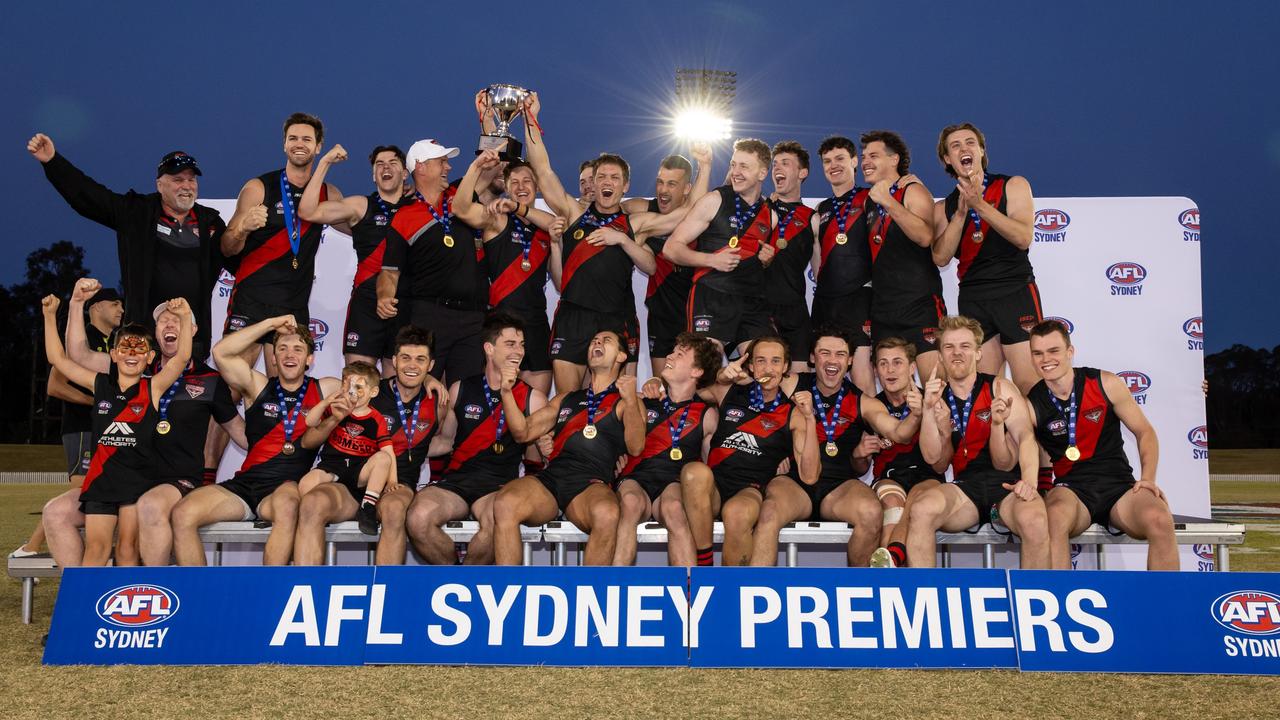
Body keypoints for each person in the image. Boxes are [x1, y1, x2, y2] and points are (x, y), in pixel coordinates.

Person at [59, 279, 245, 566]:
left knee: (149, 506)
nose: (169, 325)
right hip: (127, 480)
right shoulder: (134, 365)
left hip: (175, 480)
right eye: (162, 322)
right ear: (156, 333)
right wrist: (76, 304)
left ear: (192, 330)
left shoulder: (210, 381)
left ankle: (151, 596)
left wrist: (277, 462)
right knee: (56, 512)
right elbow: (78, 356)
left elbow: (239, 433)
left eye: (177, 320)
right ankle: (81, 601)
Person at [522, 93, 683, 392]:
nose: (607, 182)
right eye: (602, 177)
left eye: (614, 177)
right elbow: (542, 169)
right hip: (573, 317)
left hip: (615, 320)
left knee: (616, 406)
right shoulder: (573, 213)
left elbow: (687, 213)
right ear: (592, 183)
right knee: (569, 403)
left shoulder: (635, 224)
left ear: (626, 186)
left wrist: (705, 164)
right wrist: (530, 118)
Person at [28, 134, 227, 357]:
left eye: (191, 180)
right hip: (142, 338)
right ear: (160, 185)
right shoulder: (136, 212)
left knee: (190, 391)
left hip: (193, 339)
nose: (186, 186)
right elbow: (89, 197)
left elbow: (241, 258)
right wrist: (53, 161)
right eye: (178, 180)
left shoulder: (211, 222)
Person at [171, 317, 340, 566]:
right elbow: (221, 352)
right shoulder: (258, 386)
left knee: (288, 506)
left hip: (284, 487)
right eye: (282, 348)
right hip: (245, 485)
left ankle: (270, 592)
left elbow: (363, 394)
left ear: (309, 359)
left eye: (298, 349)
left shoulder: (326, 388)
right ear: (273, 358)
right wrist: (271, 325)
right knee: (182, 514)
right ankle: (203, 595)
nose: (289, 355)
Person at [41, 294, 193, 566]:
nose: (131, 354)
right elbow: (57, 359)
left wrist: (184, 316)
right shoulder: (99, 384)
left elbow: (182, 358)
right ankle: (85, 603)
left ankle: (125, 606)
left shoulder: (153, 388)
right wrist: (50, 316)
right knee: (96, 550)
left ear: (150, 357)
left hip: (137, 483)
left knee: (126, 549)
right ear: (113, 354)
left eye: (139, 350)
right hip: (101, 482)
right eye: (125, 348)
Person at [761, 327, 921, 567]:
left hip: (838, 488)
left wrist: (916, 415)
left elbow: (900, 433)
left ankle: (862, 592)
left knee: (870, 512)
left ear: (849, 361)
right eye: (825, 353)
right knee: (770, 512)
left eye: (840, 354)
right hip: (795, 483)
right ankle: (752, 589)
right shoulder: (791, 384)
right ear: (813, 358)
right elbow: (753, 380)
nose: (832, 360)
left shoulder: (862, 401)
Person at [1026, 320, 1178, 570]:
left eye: (1053, 351)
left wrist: (1148, 478)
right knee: (1053, 519)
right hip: (1072, 490)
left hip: (1119, 486)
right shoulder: (1031, 403)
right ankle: (1059, 602)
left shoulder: (1104, 383)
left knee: (1160, 518)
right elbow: (1019, 447)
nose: (1046, 359)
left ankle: (1163, 606)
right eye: (1038, 353)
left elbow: (1145, 431)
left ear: (1070, 352)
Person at [491, 329, 644, 565]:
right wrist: (506, 392)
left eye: (606, 340)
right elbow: (523, 432)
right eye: (594, 339)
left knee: (608, 513)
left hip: (590, 484)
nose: (597, 342)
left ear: (622, 356)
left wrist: (632, 400)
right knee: (504, 503)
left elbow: (635, 446)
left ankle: (591, 595)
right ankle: (510, 593)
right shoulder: (565, 398)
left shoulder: (628, 402)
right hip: (552, 479)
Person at [405, 313, 549, 565]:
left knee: (498, 520)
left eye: (522, 344)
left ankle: (468, 583)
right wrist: (402, 449)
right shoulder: (460, 388)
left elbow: (540, 455)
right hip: (457, 482)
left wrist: (548, 448)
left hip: (499, 486)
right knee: (418, 517)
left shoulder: (533, 398)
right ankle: (454, 575)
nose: (519, 351)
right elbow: (446, 441)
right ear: (489, 349)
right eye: (511, 344)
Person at [907, 316, 1049, 569]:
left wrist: (1029, 482)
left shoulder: (1000, 387)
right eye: (949, 347)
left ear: (978, 353)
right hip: (964, 489)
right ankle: (925, 599)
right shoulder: (936, 396)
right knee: (921, 510)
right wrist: (928, 411)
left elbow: (1026, 437)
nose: (957, 353)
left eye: (965, 346)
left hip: (1008, 486)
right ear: (939, 356)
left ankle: (1035, 602)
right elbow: (933, 460)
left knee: (1036, 518)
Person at [680, 337, 818, 566]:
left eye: (775, 361)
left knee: (738, 512)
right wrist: (721, 375)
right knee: (693, 472)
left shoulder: (792, 412)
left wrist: (810, 418)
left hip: (750, 489)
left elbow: (810, 476)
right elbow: (689, 389)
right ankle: (704, 563)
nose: (768, 368)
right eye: (760, 361)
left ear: (785, 367)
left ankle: (732, 589)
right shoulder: (729, 391)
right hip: (713, 487)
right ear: (751, 366)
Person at [221, 112, 334, 376]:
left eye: (307, 139)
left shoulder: (328, 194)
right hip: (251, 299)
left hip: (293, 305)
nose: (299, 143)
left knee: (286, 390)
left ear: (318, 147)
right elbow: (227, 248)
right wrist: (242, 228)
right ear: (284, 144)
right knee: (232, 390)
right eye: (293, 138)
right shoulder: (259, 188)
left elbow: (361, 226)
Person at [933, 123, 1042, 393]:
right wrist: (960, 214)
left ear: (981, 150)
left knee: (1030, 385)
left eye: (970, 142)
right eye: (955, 146)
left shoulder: (1013, 185)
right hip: (974, 297)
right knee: (983, 390)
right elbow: (941, 258)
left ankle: (1034, 437)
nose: (964, 149)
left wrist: (979, 205)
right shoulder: (942, 207)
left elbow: (1023, 237)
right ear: (947, 159)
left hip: (1014, 290)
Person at [17, 286, 120, 565]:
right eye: (114, 304)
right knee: (84, 489)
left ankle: (37, 545)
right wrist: (96, 403)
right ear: (96, 307)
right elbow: (54, 385)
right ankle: (32, 545)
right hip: (81, 427)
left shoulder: (116, 342)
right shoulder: (81, 336)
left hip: (104, 429)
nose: (121, 309)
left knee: (94, 489)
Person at [378, 138, 489, 385]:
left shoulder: (459, 197)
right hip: (430, 316)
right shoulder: (404, 217)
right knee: (423, 394)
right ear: (421, 167)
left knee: (465, 396)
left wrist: (488, 121)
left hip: (473, 317)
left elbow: (490, 168)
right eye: (442, 162)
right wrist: (384, 296)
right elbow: (389, 272)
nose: (448, 167)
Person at [453, 152, 563, 397]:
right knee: (495, 399)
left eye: (527, 181)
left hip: (535, 322)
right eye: (514, 182)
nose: (521, 187)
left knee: (535, 402)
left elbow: (559, 282)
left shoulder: (547, 227)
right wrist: (475, 167)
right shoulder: (498, 218)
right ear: (506, 187)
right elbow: (459, 209)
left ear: (536, 186)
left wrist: (555, 245)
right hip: (500, 323)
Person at [299, 143, 415, 370]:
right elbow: (308, 211)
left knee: (397, 385)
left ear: (405, 173)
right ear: (374, 175)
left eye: (393, 163)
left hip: (406, 302)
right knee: (357, 379)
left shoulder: (419, 207)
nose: (385, 168)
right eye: (379, 164)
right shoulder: (360, 206)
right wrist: (324, 163)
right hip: (367, 302)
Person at [664, 139, 779, 357]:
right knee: (705, 370)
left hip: (751, 300)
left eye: (744, 166)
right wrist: (711, 260)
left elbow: (759, 260)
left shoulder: (770, 215)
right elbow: (671, 248)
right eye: (733, 164)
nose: (736, 172)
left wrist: (767, 260)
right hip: (711, 297)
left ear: (762, 173)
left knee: (764, 366)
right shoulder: (714, 200)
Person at [615, 332, 721, 566]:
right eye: (672, 351)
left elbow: (712, 466)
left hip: (673, 483)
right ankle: (615, 588)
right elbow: (614, 440)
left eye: (680, 354)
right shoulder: (641, 399)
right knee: (630, 502)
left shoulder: (707, 414)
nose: (670, 356)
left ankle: (692, 591)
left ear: (697, 372)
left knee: (674, 508)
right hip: (636, 478)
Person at [860, 130, 943, 383]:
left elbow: (924, 237)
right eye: (863, 156)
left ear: (894, 159)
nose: (865, 162)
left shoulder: (913, 190)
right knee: (892, 390)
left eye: (873, 155)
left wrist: (888, 201)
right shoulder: (869, 201)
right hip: (884, 309)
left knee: (935, 386)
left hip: (919, 305)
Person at [292, 362, 396, 564]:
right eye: (348, 386)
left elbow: (387, 450)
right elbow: (309, 423)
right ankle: (304, 518)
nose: (353, 392)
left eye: (359, 387)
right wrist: (325, 402)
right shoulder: (335, 407)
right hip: (333, 466)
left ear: (373, 392)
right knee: (305, 484)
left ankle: (368, 506)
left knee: (383, 459)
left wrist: (392, 481)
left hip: (359, 471)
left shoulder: (376, 419)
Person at [622, 150, 713, 379]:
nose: (663, 190)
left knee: (699, 385)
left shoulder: (701, 213)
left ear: (687, 189)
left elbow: (696, 206)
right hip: (661, 312)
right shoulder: (641, 208)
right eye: (660, 182)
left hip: (695, 311)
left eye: (672, 184)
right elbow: (611, 211)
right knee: (662, 384)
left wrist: (705, 165)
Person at [367, 326, 446, 564]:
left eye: (420, 360)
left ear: (430, 365)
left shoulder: (438, 403)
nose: (412, 365)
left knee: (393, 509)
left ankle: (387, 591)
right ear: (394, 361)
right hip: (359, 478)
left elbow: (444, 441)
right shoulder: (372, 392)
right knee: (313, 504)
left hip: (399, 483)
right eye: (406, 358)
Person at [866, 337, 943, 569]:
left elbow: (942, 457)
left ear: (912, 368)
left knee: (916, 502)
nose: (890, 370)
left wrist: (928, 411)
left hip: (927, 477)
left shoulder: (933, 400)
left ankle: (890, 562)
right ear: (875, 369)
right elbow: (859, 467)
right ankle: (894, 558)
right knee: (892, 502)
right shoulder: (871, 405)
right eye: (883, 363)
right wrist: (860, 454)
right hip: (889, 477)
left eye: (897, 362)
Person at [812, 136, 874, 392]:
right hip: (826, 300)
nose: (833, 165)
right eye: (827, 161)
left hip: (858, 297)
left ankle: (873, 432)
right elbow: (817, 259)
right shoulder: (821, 209)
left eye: (839, 159)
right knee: (820, 370)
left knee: (860, 372)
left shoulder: (870, 197)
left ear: (854, 161)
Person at [766, 141, 818, 375]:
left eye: (786, 163)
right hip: (759, 308)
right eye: (775, 164)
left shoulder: (812, 218)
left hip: (795, 311)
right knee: (759, 380)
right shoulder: (758, 210)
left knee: (800, 384)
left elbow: (821, 275)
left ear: (802, 172)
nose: (778, 168)